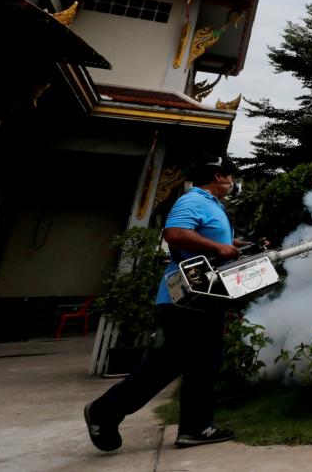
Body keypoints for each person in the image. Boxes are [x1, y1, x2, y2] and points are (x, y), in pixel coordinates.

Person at [84, 155, 245, 452]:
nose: (232, 181)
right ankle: (106, 410)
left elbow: (205, 242)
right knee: (183, 361)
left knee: (193, 361)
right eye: (230, 176)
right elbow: (174, 234)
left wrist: (234, 246)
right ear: (219, 176)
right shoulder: (193, 200)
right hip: (186, 297)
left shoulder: (213, 206)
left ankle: (193, 427)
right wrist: (218, 246)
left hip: (203, 296)